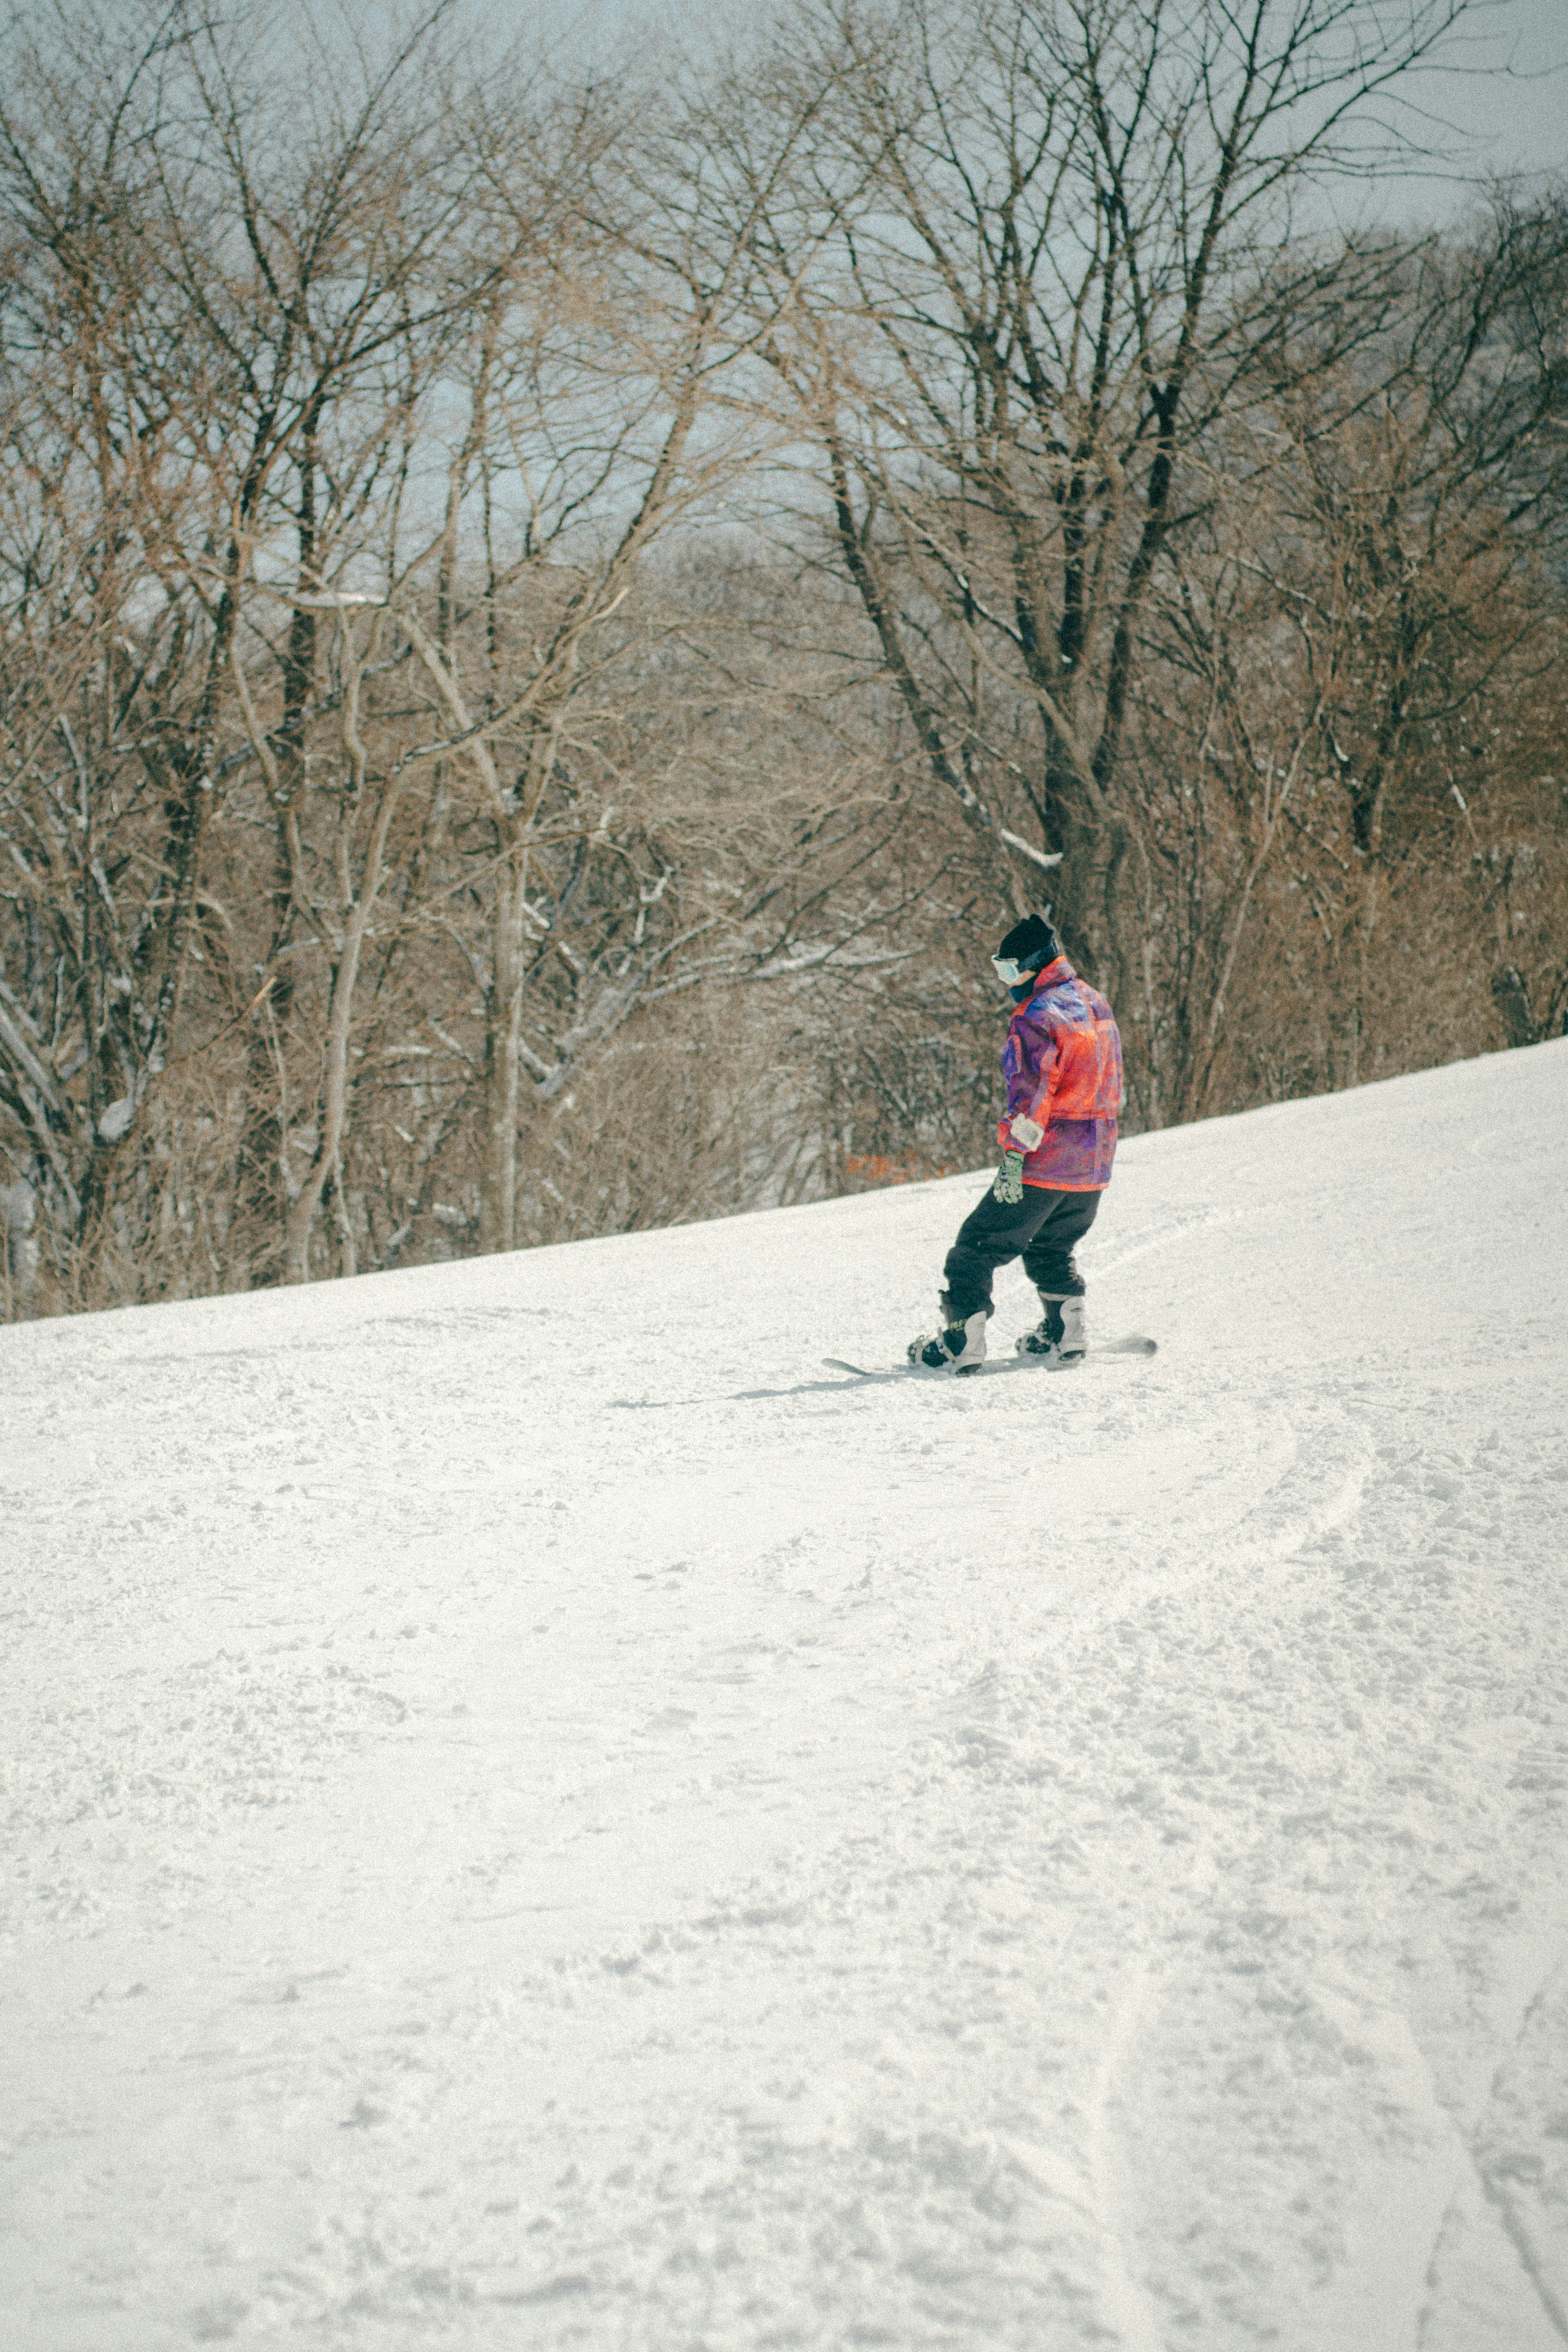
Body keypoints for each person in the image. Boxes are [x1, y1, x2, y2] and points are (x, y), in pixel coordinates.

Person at [909, 912, 1124, 1374]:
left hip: (1047, 1158)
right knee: (1050, 1246)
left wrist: (1014, 1155)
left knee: (975, 1247)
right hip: (1094, 1163)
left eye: (1008, 970)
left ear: (1034, 963)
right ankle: (1066, 1331)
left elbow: (1033, 1097)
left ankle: (960, 1341)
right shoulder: (1095, 1002)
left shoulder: (1037, 1015)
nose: (1005, 981)